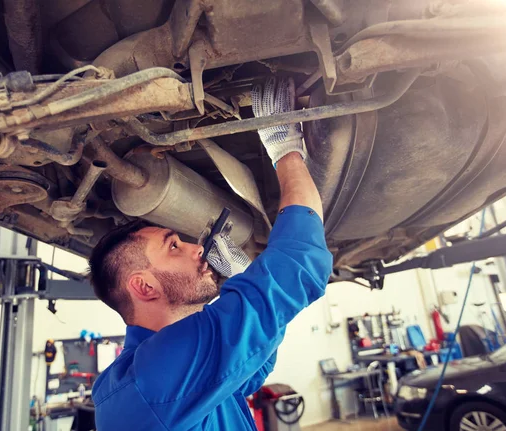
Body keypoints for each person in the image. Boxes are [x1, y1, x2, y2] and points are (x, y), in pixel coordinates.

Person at [89, 77, 333, 430]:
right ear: (143, 287)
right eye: (173, 246)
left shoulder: (161, 376)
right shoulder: (152, 382)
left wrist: (243, 278)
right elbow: (298, 260)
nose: (196, 246)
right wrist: (284, 148)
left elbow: (252, 368)